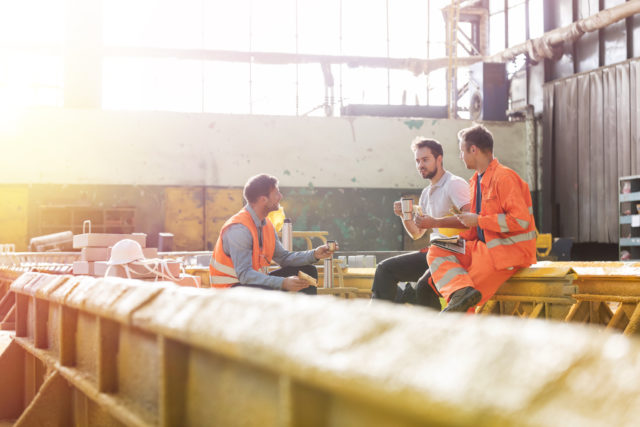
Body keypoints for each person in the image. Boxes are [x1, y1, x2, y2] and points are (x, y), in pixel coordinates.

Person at [428, 124, 537, 313]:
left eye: (462, 151)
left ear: (473, 149)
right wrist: (463, 231)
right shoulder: (476, 181)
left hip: (506, 254)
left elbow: (520, 221)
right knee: (437, 247)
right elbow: (478, 226)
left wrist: (478, 220)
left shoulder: (504, 178)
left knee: (463, 301)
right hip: (482, 248)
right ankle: (460, 292)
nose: (460, 156)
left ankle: (462, 315)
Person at [371, 137, 471, 309]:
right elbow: (417, 234)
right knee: (384, 269)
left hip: (456, 252)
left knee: (421, 286)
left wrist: (435, 222)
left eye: (425, 160)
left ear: (439, 159)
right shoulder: (426, 193)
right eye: (417, 161)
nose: (420, 165)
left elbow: (471, 220)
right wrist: (404, 216)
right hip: (435, 252)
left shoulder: (455, 184)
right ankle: (378, 320)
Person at [209, 174, 336, 294]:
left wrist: (314, 254)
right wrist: (283, 283)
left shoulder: (266, 224)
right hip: (229, 292)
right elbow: (245, 275)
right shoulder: (239, 229)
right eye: (276, 193)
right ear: (263, 199)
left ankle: (303, 315)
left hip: (250, 285)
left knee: (308, 271)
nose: (280, 196)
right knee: (268, 289)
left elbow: (284, 258)